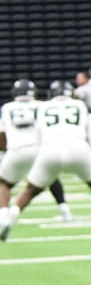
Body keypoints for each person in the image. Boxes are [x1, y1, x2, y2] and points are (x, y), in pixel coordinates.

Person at [0, 81, 91, 241]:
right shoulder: (80, 106)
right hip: (78, 147)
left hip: (49, 149)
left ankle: (12, 215)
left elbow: (39, 134)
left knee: (30, 190)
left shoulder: (43, 108)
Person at [0, 79, 73, 224]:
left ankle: (3, 214)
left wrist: (4, 150)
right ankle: (65, 210)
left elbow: (1, 134)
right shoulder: (44, 106)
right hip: (40, 149)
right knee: (52, 179)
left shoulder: (7, 107)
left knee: (4, 184)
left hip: (17, 150)